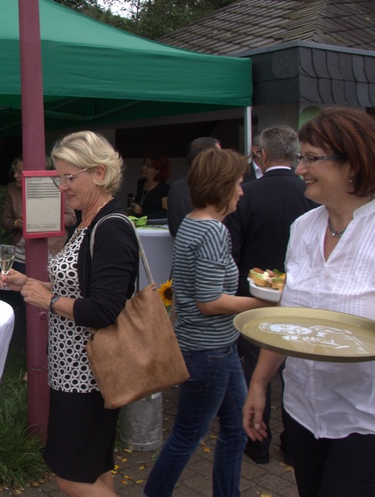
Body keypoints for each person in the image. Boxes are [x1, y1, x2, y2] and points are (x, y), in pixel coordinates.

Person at [0, 131, 139, 496]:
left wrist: (47, 300)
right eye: (59, 177)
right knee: (93, 469)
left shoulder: (111, 227)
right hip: (72, 371)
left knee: (70, 476)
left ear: (100, 173)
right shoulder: (87, 222)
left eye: (69, 177)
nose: (62, 186)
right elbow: (77, 288)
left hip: (89, 375)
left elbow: (104, 309)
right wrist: (30, 283)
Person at [243, 108, 375, 497]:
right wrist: (259, 383)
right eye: (302, 158)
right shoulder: (303, 227)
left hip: (364, 418)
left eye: (312, 159)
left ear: (354, 164)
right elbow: (289, 317)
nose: (300, 169)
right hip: (302, 409)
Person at [144, 148, 273, 497]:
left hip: (216, 347)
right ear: (222, 186)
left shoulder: (191, 221)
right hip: (208, 351)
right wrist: (267, 302)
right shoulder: (213, 231)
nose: (242, 192)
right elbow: (210, 302)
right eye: (238, 184)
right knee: (188, 435)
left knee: (235, 428)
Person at [223, 125, 317, 465]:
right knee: (295, 369)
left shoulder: (246, 194)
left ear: (261, 154)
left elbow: (232, 254)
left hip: (255, 299)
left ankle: (258, 443)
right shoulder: (312, 193)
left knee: (256, 370)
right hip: (303, 300)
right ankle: (294, 443)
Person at [1, 155, 77, 272]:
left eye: (20, 172)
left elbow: (71, 217)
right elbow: (5, 220)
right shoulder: (12, 189)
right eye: (15, 171)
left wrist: (45, 219)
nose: (15, 176)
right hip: (20, 255)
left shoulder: (56, 185)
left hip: (51, 252)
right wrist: (16, 223)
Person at [167, 137, 221, 236]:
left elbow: (173, 229)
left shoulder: (176, 188)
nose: (224, 160)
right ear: (208, 159)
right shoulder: (209, 189)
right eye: (220, 155)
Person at [129, 153, 170, 220]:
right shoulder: (141, 183)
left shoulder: (165, 188)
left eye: (148, 166)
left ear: (157, 171)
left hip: (154, 224)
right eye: (144, 165)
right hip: (139, 222)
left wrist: (143, 211)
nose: (143, 168)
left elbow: (165, 213)